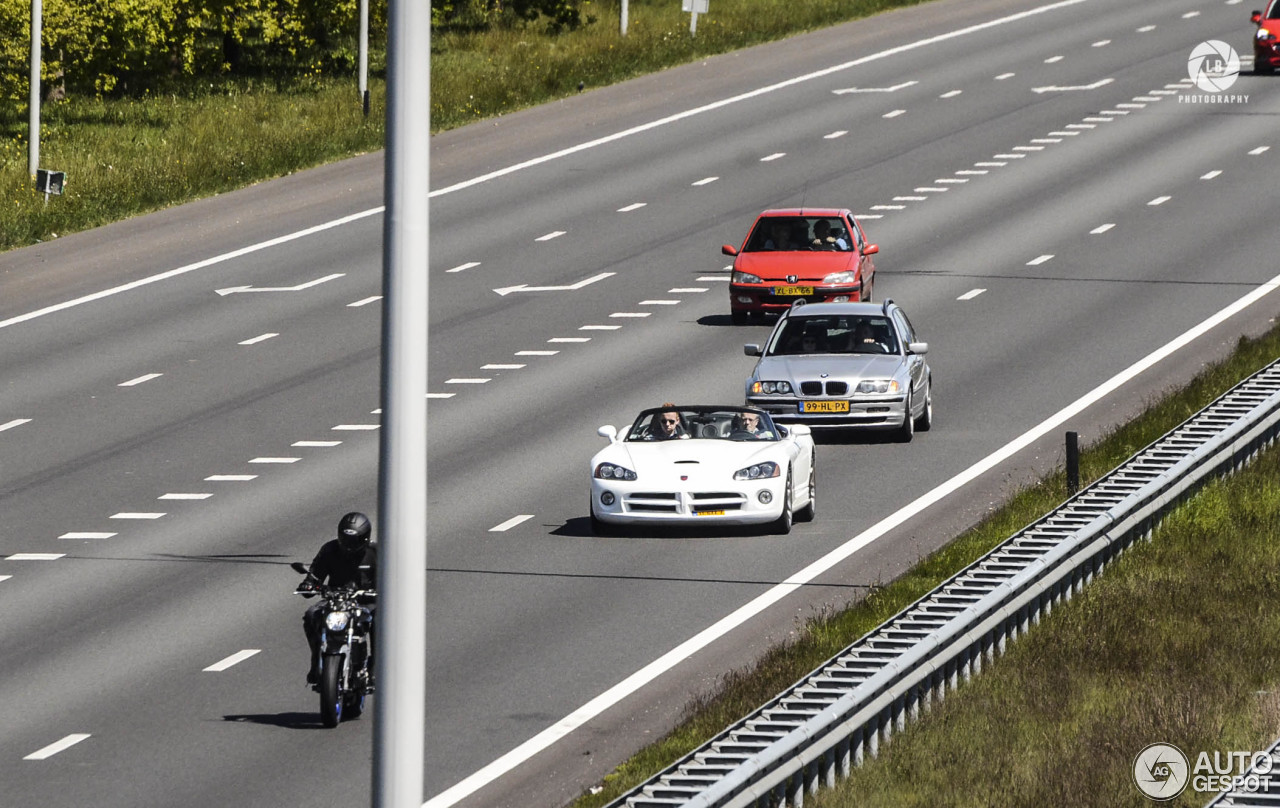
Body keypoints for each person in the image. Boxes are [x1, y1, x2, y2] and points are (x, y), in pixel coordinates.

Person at [296, 511, 378, 684]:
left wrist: (382, 590)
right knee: (312, 615)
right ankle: (317, 659)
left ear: (364, 538)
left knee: (380, 619)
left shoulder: (375, 553)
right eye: (345, 540)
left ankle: (377, 665)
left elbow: (392, 577)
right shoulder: (330, 549)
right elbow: (315, 576)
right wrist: (309, 584)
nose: (348, 545)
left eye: (353, 541)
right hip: (336, 600)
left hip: (367, 601)